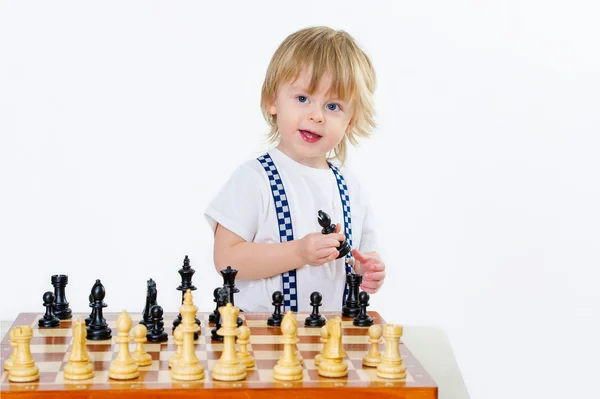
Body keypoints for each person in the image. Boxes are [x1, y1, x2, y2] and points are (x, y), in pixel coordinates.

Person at [204, 26, 386, 312]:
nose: (316, 116)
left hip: (330, 343)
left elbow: (361, 256)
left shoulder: (351, 188)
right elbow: (226, 259)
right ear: (272, 101)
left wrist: (369, 270)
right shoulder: (254, 179)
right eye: (302, 99)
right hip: (264, 340)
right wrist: (299, 252)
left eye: (333, 106)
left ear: (351, 121)